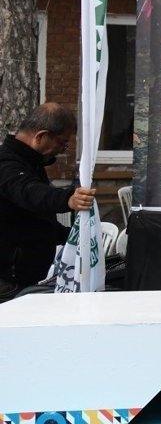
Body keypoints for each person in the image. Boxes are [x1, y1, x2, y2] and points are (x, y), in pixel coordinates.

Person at [0, 103, 95, 303]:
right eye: (61, 143)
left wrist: (72, 236)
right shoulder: (7, 165)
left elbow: (35, 220)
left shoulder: (31, 164)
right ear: (41, 136)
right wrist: (68, 199)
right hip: (9, 279)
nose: (61, 150)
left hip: (21, 276)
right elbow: (30, 193)